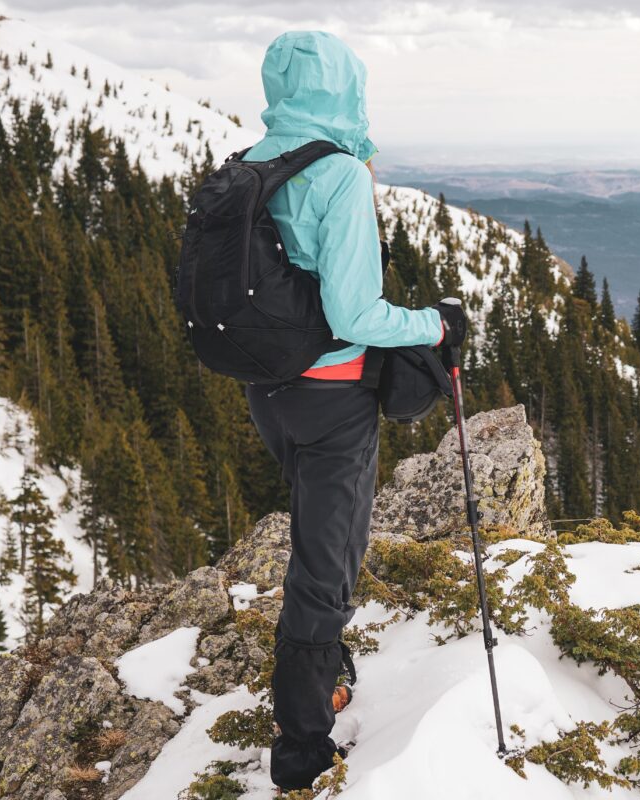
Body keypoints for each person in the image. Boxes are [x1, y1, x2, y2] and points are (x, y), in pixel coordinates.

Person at [241, 31, 467, 791]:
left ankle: (324, 665)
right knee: (326, 566)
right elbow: (356, 314)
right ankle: (303, 744)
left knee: (320, 532)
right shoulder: (335, 174)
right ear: (344, 89)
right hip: (332, 393)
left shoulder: (251, 167)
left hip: (267, 389)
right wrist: (434, 326)